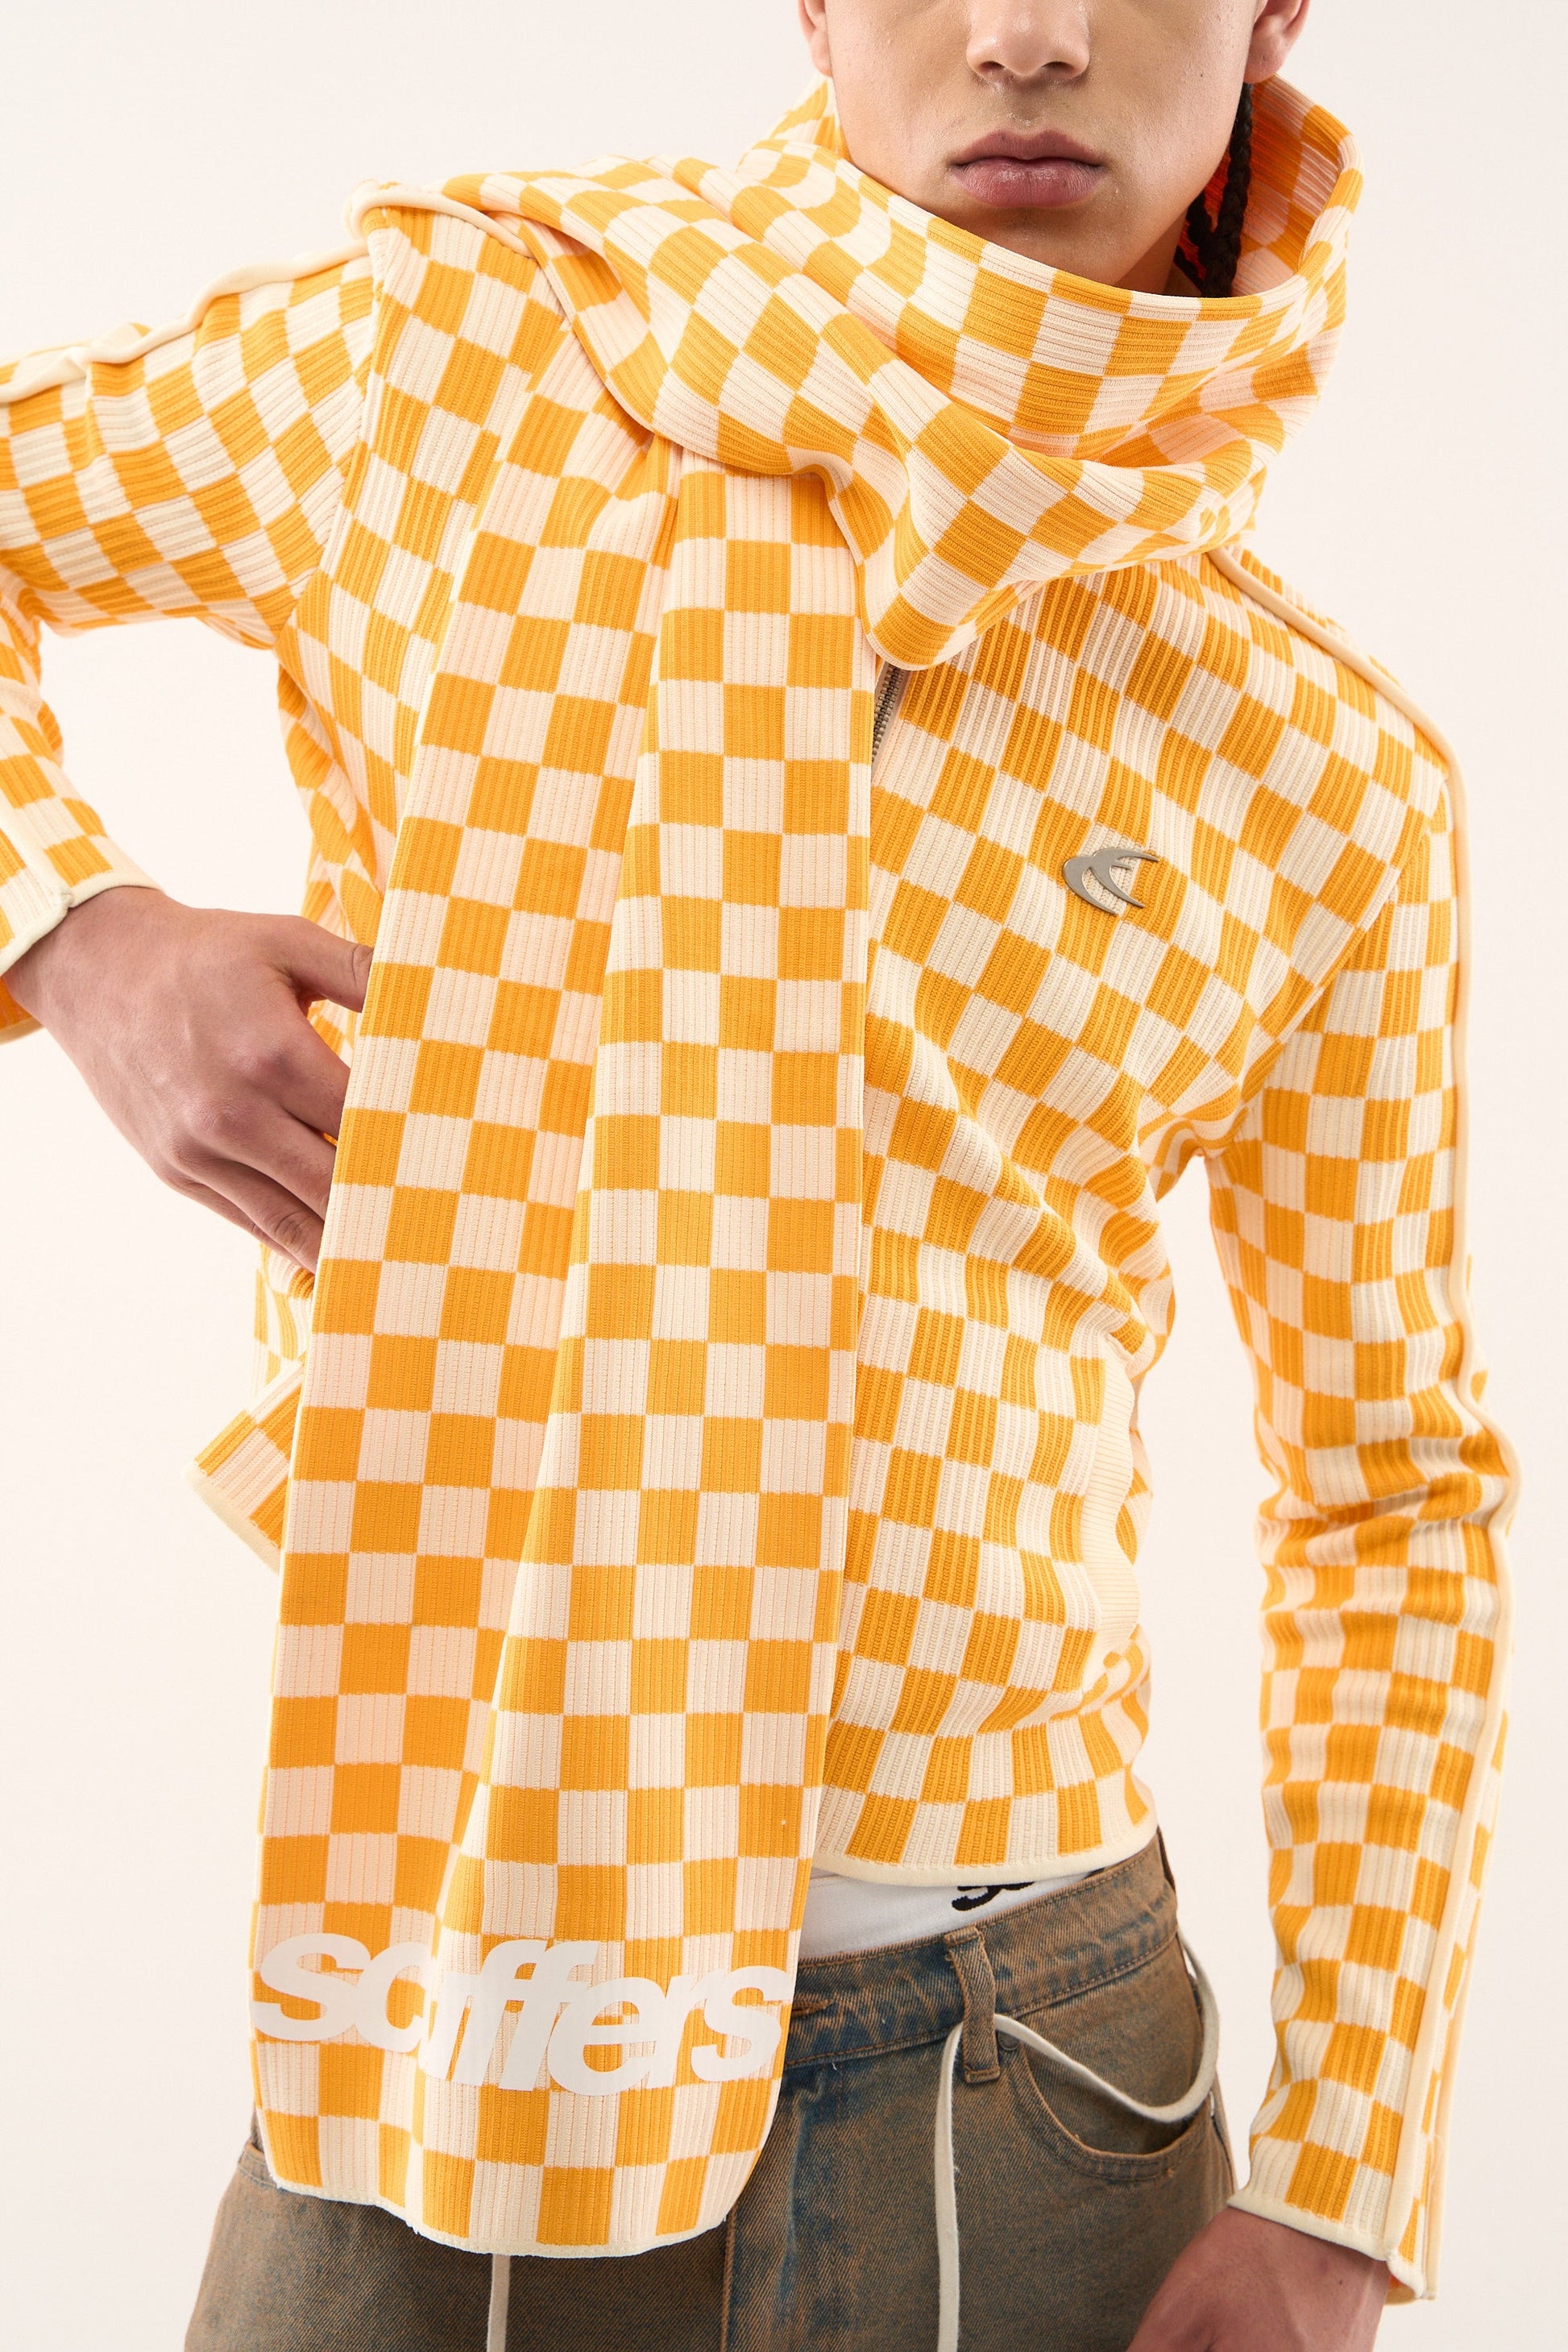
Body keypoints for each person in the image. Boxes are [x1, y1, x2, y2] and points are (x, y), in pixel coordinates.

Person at [0, 2, 1515, 2346]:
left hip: (1036, 2067)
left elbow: (1388, 1490)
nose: (1026, 35)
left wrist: (1346, 2183)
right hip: (465, 1974)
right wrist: (78, 931)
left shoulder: (1316, 770)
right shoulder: (466, 358)